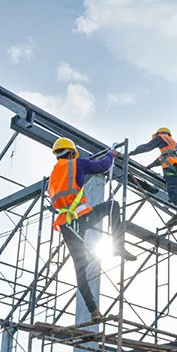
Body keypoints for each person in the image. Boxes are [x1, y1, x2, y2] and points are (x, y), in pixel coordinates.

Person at [47, 137, 137, 322]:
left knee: (79, 268)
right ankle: (117, 246)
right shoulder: (77, 163)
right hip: (80, 215)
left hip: (65, 224)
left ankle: (94, 311)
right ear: (71, 153)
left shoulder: (54, 175)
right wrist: (110, 155)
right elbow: (102, 167)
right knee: (113, 206)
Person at [129, 127, 177, 224]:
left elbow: (146, 147)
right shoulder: (174, 144)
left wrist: (131, 153)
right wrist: (149, 167)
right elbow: (161, 159)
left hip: (170, 165)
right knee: (173, 185)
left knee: (172, 186)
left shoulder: (161, 137)